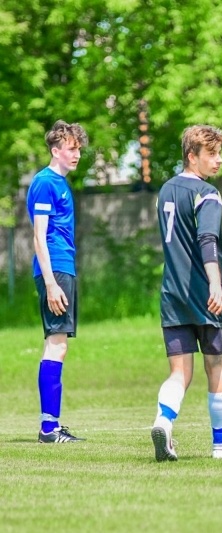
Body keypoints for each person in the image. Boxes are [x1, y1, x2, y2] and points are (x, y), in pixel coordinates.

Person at [151, 125, 222, 461]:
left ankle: (163, 422)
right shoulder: (207, 193)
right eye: (211, 154)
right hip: (205, 296)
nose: (219, 160)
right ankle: (221, 445)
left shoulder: (165, 190)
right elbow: (207, 240)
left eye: (220, 154)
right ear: (192, 156)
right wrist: (215, 284)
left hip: (172, 294)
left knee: (179, 372)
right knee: (216, 365)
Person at [26, 120, 88, 443]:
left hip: (64, 268)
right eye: (71, 148)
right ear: (55, 150)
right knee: (56, 344)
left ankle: (51, 425)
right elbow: (39, 237)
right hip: (55, 270)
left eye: (79, 149)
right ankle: (49, 428)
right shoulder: (45, 183)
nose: (76, 154)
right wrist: (51, 283)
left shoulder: (61, 184)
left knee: (58, 343)